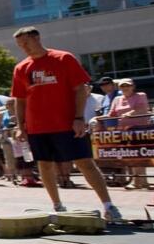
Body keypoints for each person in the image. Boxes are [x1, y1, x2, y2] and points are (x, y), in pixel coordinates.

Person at [10, 26, 121, 221]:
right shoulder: (21, 68)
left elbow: (80, 89)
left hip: (67, 124)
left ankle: (109, 206)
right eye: (20, 45)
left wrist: (79, 118)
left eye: (26, 42)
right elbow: (20, 100)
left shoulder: (63, 58)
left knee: (85, 163)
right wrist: (21, 126)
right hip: (38, 127)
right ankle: (57, 206)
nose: (24, 47)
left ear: (37, 38)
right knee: (44, 165)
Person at [107, 78, 151, 189]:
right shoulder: (117, 99)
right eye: (122, 86)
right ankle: (141, 181)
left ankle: (138, 181)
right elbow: (111, 114)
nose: (125, 88)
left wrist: (129, 113)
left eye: (128, 85)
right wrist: (97, 118)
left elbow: (142, 109)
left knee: (139, 155)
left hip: (139, 129)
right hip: (123, 131)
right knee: (130, 155)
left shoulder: (141, 95)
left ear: (133, 86)